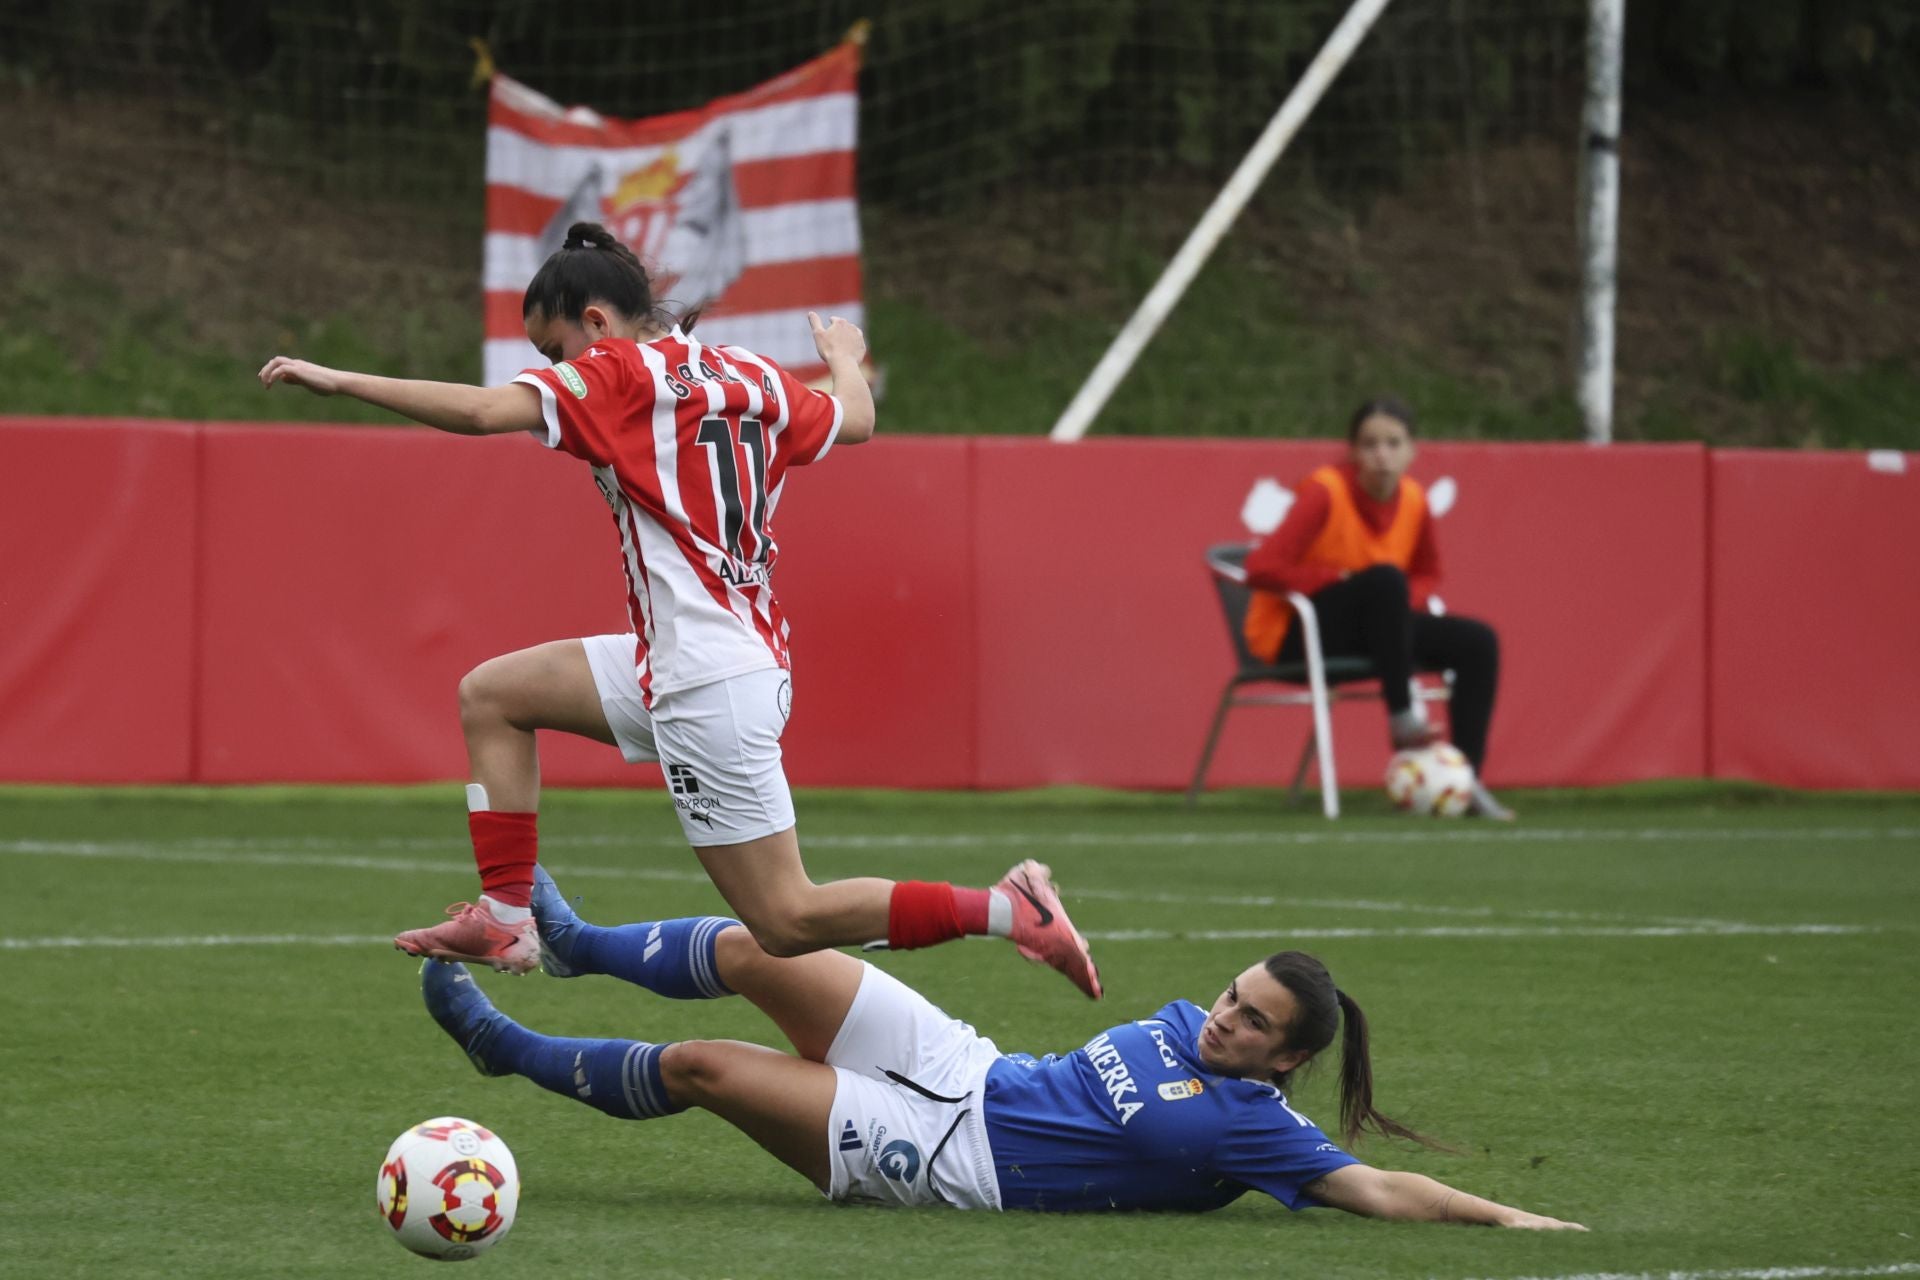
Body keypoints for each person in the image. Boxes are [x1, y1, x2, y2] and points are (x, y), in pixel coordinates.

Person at [257, 220, 1099, 998]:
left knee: (785, 919)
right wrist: (844, 353)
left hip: (705, 682)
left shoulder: (616, 372)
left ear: (596, 323)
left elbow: (484, 412)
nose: (556, 372)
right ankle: (507, 918)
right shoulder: (753, 373)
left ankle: (1006, 909)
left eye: (555, 351)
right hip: (710, 657)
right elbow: (857, 419)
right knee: (494, 694)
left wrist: (337, 379)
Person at [417, 865, 1585, 1227]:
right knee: (765, 945)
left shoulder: (1259, 1131)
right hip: (968, 1064)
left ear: (1285, 1060)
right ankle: (568, 942)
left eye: (1253, 1022)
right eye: (1234, 994)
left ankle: (505, 1048)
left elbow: (1377, 1185)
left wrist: (1511, 1217)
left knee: (703, 1067)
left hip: (950, 1160)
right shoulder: (1184, 1022)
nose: (1224, 1015)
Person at [1242, 397, 1512, 819]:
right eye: (1369, 444)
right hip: (1302, 632)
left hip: (1380, 627)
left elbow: (1427, 573)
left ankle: (1465, 780)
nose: (1381, 455)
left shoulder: (1414, 500)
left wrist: (1402, 603)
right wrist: (1336, 579)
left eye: (1392, 443)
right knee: (1385, 578)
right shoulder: (1325, 491)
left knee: (1478, 641)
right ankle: (1402, 717)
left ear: (1412, 451)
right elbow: (1261, 567)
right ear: (1353, 451)